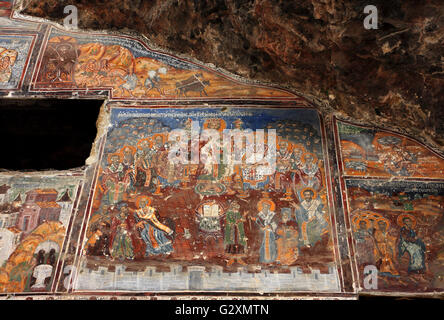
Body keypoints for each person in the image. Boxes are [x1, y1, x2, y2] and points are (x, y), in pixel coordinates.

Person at [224, 201, 247, 266]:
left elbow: (242, 220)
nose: (236, 210)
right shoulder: (229, 213)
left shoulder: (238, 213)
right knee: (231, 244)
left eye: (237, 209)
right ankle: (231, 259)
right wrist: (239, 220)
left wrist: (244, 216)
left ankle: (239, 259)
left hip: (238, 231)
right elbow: (232, 221)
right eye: (235, 208)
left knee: (239, 244)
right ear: (232, 208)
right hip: (232, 231)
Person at [254, 199, 277, 264]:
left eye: (267, 206)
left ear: (269, 207)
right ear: (262, 206)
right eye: (264, 205)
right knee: (262, 246)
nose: (266, 207)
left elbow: (275, 223)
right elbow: (256, 225)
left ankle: (272, 260)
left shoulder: (272, 214)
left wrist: (271, 226)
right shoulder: (259, 215)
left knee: (271, 246)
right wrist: (261, 228)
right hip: (262, 235)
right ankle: (263, 260)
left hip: (271, 233)